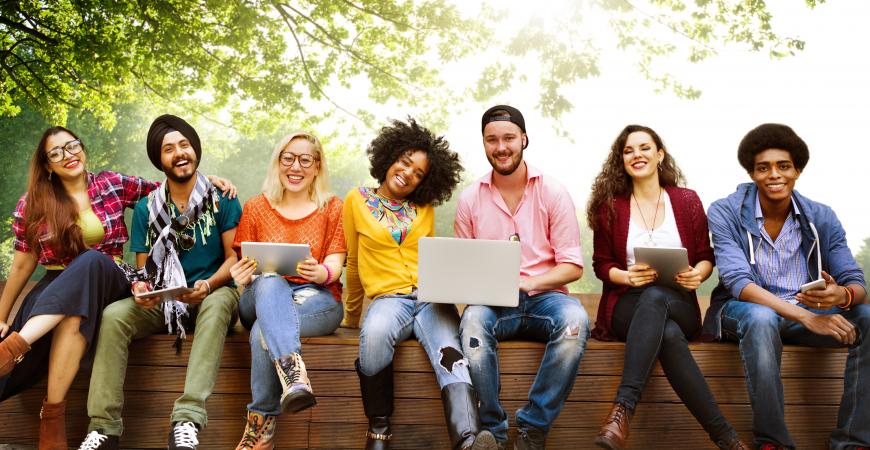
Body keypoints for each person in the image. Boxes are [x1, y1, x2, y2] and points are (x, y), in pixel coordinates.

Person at [77, 115, 242, 450]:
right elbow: (144, 273)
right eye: (168, 149)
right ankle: (104, 427)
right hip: (167, 303)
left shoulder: (222, 197)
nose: (179, 153)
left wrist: (208, 284)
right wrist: (143, 291)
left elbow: (234, 258)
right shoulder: (146, 208)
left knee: (221, 300)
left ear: (195, 149)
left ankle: (187, 419)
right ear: (159, 159)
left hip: (210, 294)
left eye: (184, 145)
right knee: (114, 316)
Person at [703, 123, 869, 450]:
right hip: (743, 311)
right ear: (752, 173)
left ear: (797, 171)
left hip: (805, 311)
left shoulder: (821, 216)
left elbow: (855, 280)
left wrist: (842, 295)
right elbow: (739, 283)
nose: (774, 175)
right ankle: (773, 442)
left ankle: (852, 441)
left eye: (783, 166)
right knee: (762, 318)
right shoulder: (725, 211)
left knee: (866, 316)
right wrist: (806, 317)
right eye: (763, 168)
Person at [0, 126, 163, 450]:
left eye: (72, 146)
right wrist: (1, 317)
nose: (68, 155)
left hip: (112, 277)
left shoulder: (112, 183)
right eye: (56, 152)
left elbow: (166, 191)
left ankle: (14, 348)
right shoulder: (33, 203)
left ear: (82, 148)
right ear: (47, 164)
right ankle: (52, 419)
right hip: (57, 285)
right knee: (73, 315)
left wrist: (209, 181)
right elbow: (21, 266)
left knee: (91, 261)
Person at [587, 125, 747, 450]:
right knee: (668, 334)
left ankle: (622, 410)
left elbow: (705, 256)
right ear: (621, 160)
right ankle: (727, 439)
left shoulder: (686, 201)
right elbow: (602, 264)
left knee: (659, 298)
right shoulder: (611, 206)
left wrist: (697, 276)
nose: (637, 155)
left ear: (659, 154)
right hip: (627, 306)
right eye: (629, 150)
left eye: (645, 148)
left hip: (680, 302)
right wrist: (627, 276)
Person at [343, 118, 496, 450]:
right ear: (390, 157)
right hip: (388, 299)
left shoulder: (424, 209)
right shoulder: (356, 200)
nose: (408, 173)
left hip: (431, 298)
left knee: (451, 355)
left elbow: (432, 257)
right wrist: (351, 316)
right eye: (405, 162)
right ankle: (379, 430)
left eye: (419, 173)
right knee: (375, 336)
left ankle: (469, 441)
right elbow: (353, 262)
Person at [457, 105, 588, 450]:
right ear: (484, 144)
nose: (501, 147)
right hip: (494, 304)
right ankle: (493, 432)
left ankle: (532, 429)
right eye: (492, 140)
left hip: (546, 298)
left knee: (575, 320)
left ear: (524, 139)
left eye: (509, 138)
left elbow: (573, 266)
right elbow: (462, 267)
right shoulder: (469, 200)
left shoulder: (553, 192)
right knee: (471, 321)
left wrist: (529, 282)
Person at [229, 131, 346, 450]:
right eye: (288, 158)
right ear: (278, 162)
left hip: (316, 300)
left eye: (305, 159)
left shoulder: (332, 207)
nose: (296, 166)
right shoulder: (255, 206)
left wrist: (322, 272)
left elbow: (336, 263)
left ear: (317, 165)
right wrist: (241, 275)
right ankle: (294, 377)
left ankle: (260, 430)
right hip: (260, 295)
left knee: (262, 335)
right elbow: (243, 262)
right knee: (269, 279)